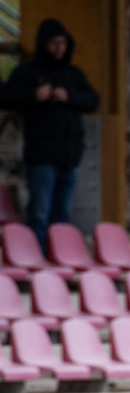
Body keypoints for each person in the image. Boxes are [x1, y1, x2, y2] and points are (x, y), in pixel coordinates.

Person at [0, 18, 99, 251]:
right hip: (41, 156)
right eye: (54, 43)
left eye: (63, 43)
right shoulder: (27, 73)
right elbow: (5, 97)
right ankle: (36, 256)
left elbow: (93, 100)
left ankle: (59, 257)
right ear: (44, 44)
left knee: (62, 215)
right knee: (39, 214)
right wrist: (34, 95)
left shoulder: (73, 74)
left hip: (69, 156)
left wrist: (69, 96)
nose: (59, 48)